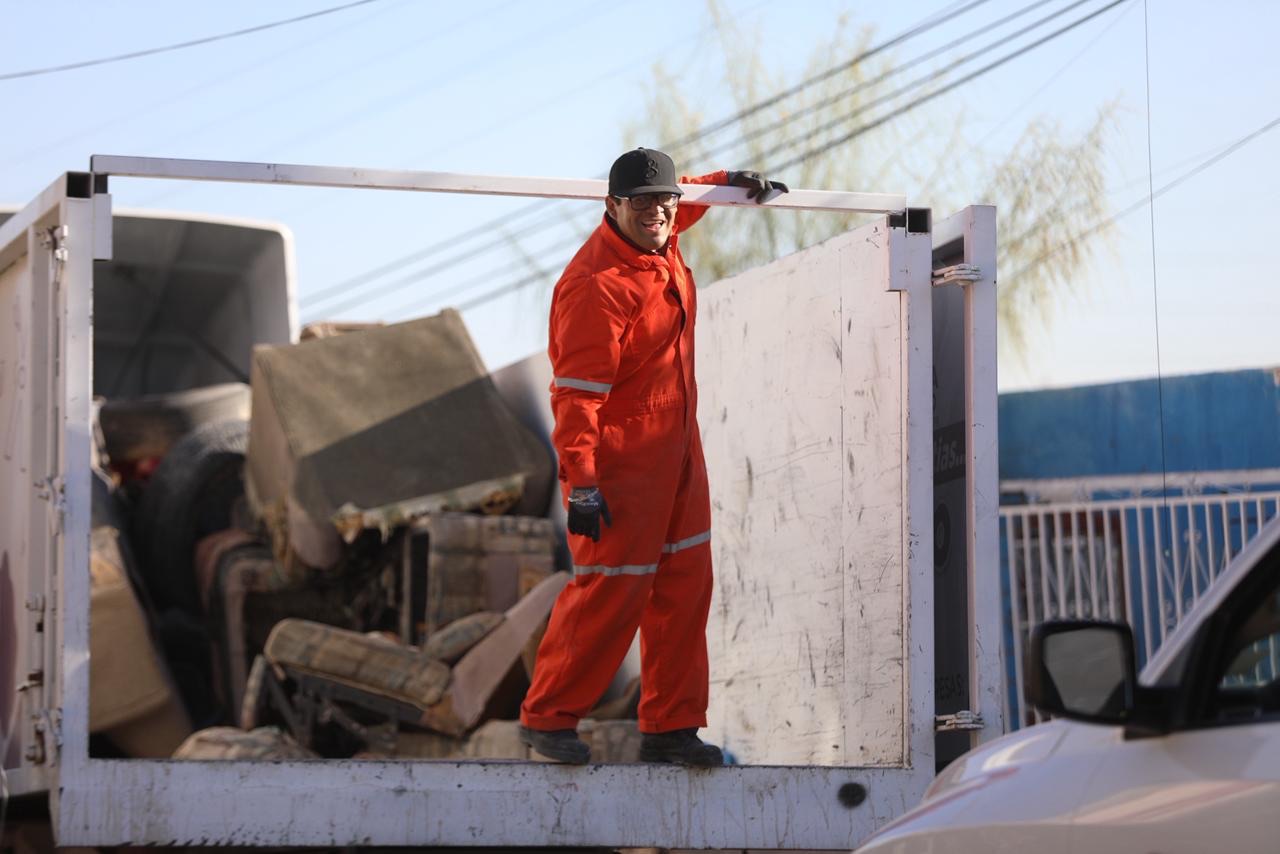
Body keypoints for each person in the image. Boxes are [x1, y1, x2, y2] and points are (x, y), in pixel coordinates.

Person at [518, 147, 787, 765]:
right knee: (611, 592)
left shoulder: (659, 236)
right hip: (621, 467)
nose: (658, 212)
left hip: (678, 454)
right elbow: (576, 401)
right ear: (612, 207)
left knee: (685, 586)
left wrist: (726, 185)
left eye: (664, 201)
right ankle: (548, 718)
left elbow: (681, 196)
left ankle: (670, 729)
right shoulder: (594, 286)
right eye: (642, 203)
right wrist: (582, 485)